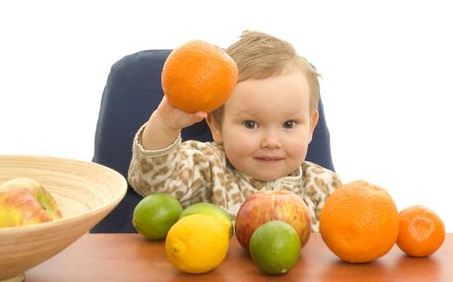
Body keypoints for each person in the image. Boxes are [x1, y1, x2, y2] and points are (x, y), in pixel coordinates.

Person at [128, 30, 342, 230]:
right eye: (251, 124)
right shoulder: (208, 168)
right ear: (216, 126)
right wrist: (165, 124)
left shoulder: (324, 187)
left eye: (288, 124)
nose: (271, 141)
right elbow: (154, 181)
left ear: (311, 126)